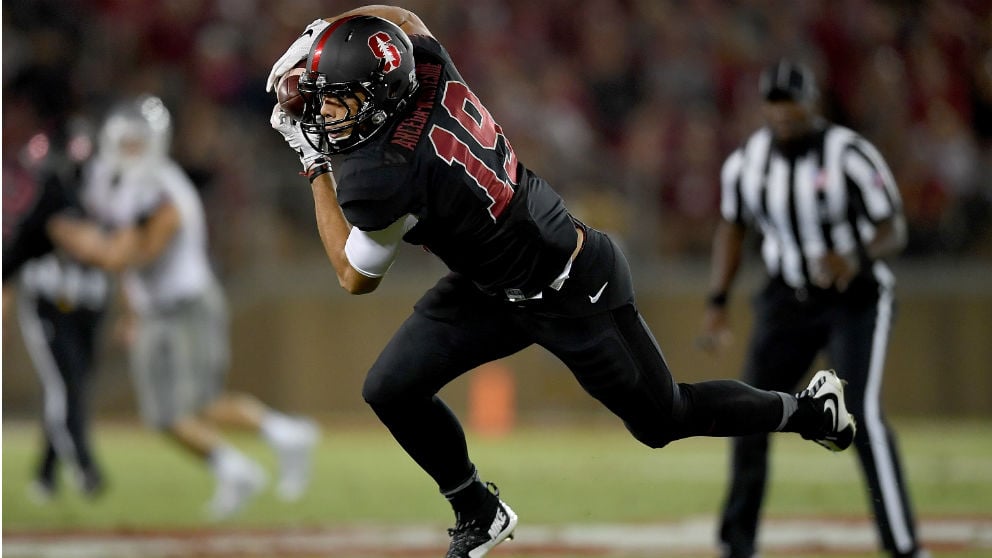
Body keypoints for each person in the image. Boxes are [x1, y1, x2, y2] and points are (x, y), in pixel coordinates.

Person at [266, 7, 855, 557]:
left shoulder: (381, 176)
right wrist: (330, 31)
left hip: (571, 286)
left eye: (342, 101)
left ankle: (808, 411)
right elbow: (400, 18)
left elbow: (353, 275)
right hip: (490, 283)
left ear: (382, 96)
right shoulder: (426, 69)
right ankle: (478, 510)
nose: (325, 115)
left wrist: (312, 163)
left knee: (663, 419)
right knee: (390, 388)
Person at [48, 95, 320, 520]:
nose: (129, 151)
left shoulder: (167, 191)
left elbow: (129, 254)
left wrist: (62, 231)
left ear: (155, 143)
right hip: (153, 309)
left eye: (137, 142)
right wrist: (131, 308)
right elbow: (120, 250)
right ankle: (236, 468)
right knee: (160, 416)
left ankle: (285, 434)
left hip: (188, 305)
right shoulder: (113, 179)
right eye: (124, 142)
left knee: (200, 404)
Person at [699, 60, 927, 558]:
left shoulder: (849, 154)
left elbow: (894, 226)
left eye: (793, 105)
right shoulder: (747, 162)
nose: (784, 116)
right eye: (775, 106)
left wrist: (855, 256)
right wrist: (717, 301)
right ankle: (737, 547)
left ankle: (906, 548)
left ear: (813, 104)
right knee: (749, 414)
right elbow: (732, 228)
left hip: (855, 298)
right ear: (765, 108)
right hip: (787, 300)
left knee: (861, 414)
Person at [3, 82, 110, 501]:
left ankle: (45, 474)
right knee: (67, 387)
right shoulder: (48, 200)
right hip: (51, 298)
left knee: (73, 388)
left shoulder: (104, 189)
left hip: (89, 298)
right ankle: (84, 469)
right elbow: (16, 253)